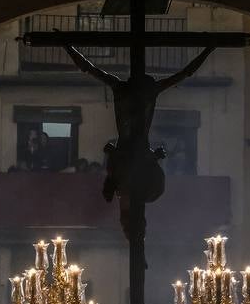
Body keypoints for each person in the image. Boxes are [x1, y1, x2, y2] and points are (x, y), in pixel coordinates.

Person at [62, 42, 214, 239]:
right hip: (134, 154)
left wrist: (68, 47)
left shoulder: (122, 87)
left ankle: (134, 236)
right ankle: (134, 235)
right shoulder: (144, 89)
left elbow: (88, 68)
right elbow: (185, 73)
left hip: (132, 154)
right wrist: (209, 49)